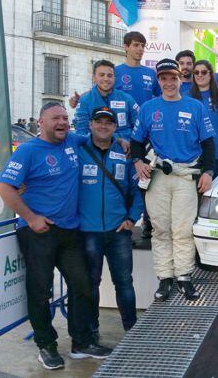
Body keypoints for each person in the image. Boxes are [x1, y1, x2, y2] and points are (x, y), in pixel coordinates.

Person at [0, 102, 111, 370]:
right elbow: (4, 188)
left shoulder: (72, 140)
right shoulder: (27, 151)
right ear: (41, 122)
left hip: (70, 232)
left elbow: (99, 136)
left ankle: (81, 343)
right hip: (39, 232)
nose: (62, 122)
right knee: (40, 291)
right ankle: (46, 345)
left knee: (83, 285)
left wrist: (123, 141)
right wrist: (31, 218)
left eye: (65, 118)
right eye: (55, 118)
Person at [130, 58, 216, 302]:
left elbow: (209, 143)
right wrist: (138, 161)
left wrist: (208, 173)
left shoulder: (195, 107)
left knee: (183, 228)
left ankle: (184, 277)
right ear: (158, 80)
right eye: (164, 78)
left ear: (180, 79)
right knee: (161, 228)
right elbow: (136, 141)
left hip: (185, 176)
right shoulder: (148, 108)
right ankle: (165, 277)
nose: (169, 82)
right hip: (157, 176)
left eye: (173, 78)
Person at [77, 107, 143, 341]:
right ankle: (92, 332)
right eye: (99, 121)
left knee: (124, 282)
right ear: (91, 124)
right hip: (88, 232)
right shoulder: (78, 149)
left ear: (115, 127)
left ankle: (132, 330)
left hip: (118, 232)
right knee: (91, 284)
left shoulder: (125, 153)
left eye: (108, 122)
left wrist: (132, 219)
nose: (103, 126)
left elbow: (138, 191)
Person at [69, 31, 160, 108]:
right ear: (126, 47)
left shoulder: (151, 73)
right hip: (121, 125)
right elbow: (96, 91)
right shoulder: (114, 72)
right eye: (136, 45)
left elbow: (164, 95)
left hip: (144, 126)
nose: (140, 49)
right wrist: (78, 99)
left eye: (142, 46)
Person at [73, 60, 139, 140]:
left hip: (124, 149)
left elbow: (138, 127)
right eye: (102, 75)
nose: (106, 79)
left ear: (114, 78)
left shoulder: (127, 99)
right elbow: (81, 131)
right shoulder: (85, 100)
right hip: (95, 148)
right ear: (94, 78)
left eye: (109, 75)